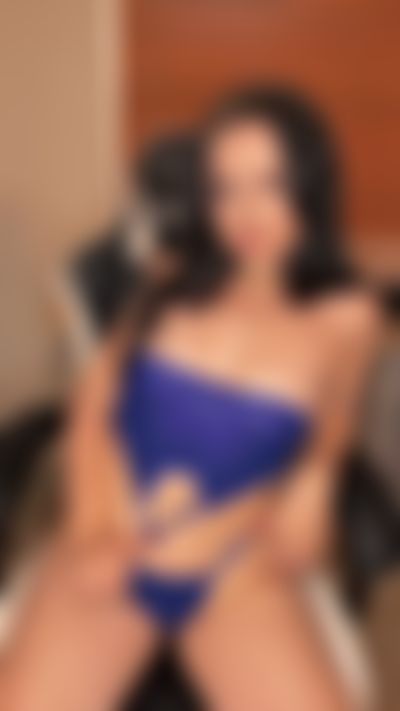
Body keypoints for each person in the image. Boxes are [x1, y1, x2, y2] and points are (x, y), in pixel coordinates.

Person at [4, 87, 381, 711]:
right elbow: (94, 405)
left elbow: (335, 417)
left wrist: (312, 487)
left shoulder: (349, 317)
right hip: (120, 538)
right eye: (226, 188)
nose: (245, 211)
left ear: (311, 184)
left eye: (269, 183)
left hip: (233, 565)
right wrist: (93, 530)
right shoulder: (174, 279)